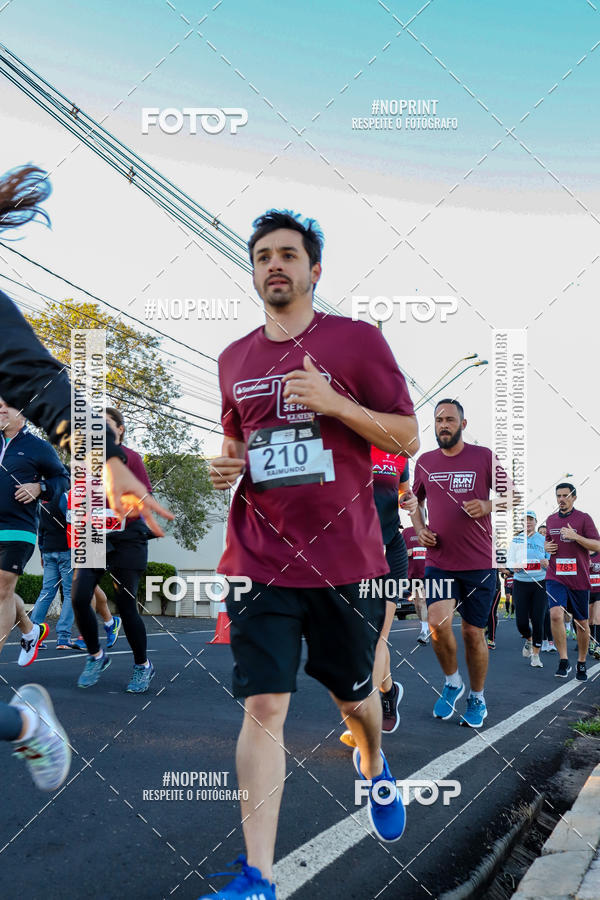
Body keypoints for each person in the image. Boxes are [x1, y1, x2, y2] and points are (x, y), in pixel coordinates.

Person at [206, 210, 419, 899]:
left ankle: (374, 766)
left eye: (288, 255)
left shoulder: (356, 342)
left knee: (353, 699)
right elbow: (241, 442)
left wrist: (334, 401)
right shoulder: (234, 359)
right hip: (260, 555)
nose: (275, 264)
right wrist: (227, 463)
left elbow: (407, 435)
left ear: (313, 270)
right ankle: (258, 878)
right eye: (264, 255)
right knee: (264, 706)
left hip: (346, 560)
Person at [0, 163, 171, 791]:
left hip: (116, 536)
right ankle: (32, 714)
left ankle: (35, 717)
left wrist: (106, 463)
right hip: (85, 537)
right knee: (77, 599)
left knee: (120, 600)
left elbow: (42, 386)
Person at [410, 398, 516, 728]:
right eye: (439, 420)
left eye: (450, 420)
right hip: (439, 560)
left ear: (463, 424)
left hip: (477, 562)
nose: (444, 424)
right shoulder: (425, 462)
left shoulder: (483, 456)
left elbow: (511, 495)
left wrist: (487, 505)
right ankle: (453, 682)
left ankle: (477, 697)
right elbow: (414, 503)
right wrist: (420, 529)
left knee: (473, 633)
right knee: (437, 625)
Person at [71, 408, 156, 692]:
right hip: (96, 536)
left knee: (126, 603)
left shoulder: (131, 458)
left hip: (128, 536)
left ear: (120, 430)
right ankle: (96, 655)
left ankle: (142, 666)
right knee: (79, 596)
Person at [339, 449, 414, 747]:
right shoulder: (345, 443)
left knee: (376, 638)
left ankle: (363, 721)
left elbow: (404, 493)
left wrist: (409, 501)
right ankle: (389, 691)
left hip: (389, 548)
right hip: (352, 550)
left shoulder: (399, 454)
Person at [0, 397, 68, 663]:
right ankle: (30, 630)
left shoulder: (38, 447)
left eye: (8, 405)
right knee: (2, 590)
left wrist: (40, 488)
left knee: (3, 590)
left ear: (24, 415)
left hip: (19, 529)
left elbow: (62, 479)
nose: (1, 409)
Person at [545, 483, 600, 680]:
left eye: (565, 495)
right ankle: (563, 660)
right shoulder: (550, 520)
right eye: (558, 495)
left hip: (579, 577)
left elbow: (597, 545)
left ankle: (582, 662)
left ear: (574, 497)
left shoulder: (584, 519)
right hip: (555, 575)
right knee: (556, 614)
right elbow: (549, 541)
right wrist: (547, 546)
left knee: (582, 622)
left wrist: (575, 536)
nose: (561, 499)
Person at [507, 511, 549, 668]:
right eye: (525, 520)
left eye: (531, 520)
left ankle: (536, 656)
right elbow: (509, 560)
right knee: (521, 621)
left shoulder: (543, 539)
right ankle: (529, 638)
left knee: (538, 619)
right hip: (521, 583)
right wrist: (513, 566)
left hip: (539, 583)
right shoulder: (516, 540)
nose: (528, 522)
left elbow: (550, 560)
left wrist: (546, 563)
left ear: (536, 522)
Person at [402, 525, 429, 644]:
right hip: (413, 575)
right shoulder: (407, 532)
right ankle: (424, 624)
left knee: (422, 600)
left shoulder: (431, 530)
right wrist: (406, 552)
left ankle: (425, 631)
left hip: (428, 572)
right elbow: (400, 551)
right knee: (417, 604)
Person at [485, 569, 502, 650]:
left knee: (491, 612)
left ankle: (491, 640)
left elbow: (503, 567)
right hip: (481, 587)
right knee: (483, 611)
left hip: (494, 587)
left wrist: (509, 571)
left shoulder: (495, 556)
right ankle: (489, 624)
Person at [589, 550, 600, 659]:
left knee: (597, 618)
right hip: (587, 591)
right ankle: (592, 640)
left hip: (599, 591)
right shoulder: (581, 553)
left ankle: (598, 646)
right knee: (590, 621)